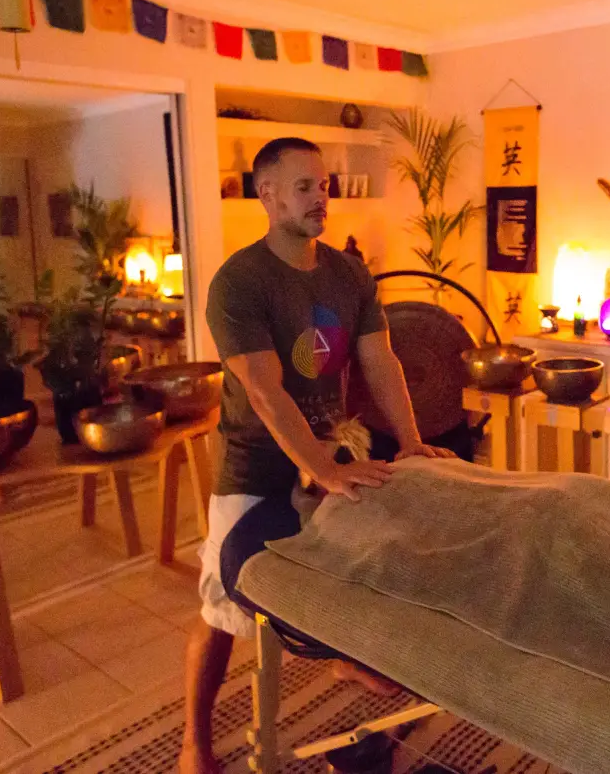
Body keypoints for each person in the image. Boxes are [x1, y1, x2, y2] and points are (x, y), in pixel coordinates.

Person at [180, 137, 453, 774]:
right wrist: (322, 470)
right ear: (267, 194)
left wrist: (410, 441)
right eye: (304, 187)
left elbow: (380, 361)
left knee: (349, 565)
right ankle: (195, 740)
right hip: (255, 467)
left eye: (323, 185)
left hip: (332, 452)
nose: (319, 197)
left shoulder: (348, 273)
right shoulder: (239, 283)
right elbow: (265, 390)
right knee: (222, 609)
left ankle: (337, 651)